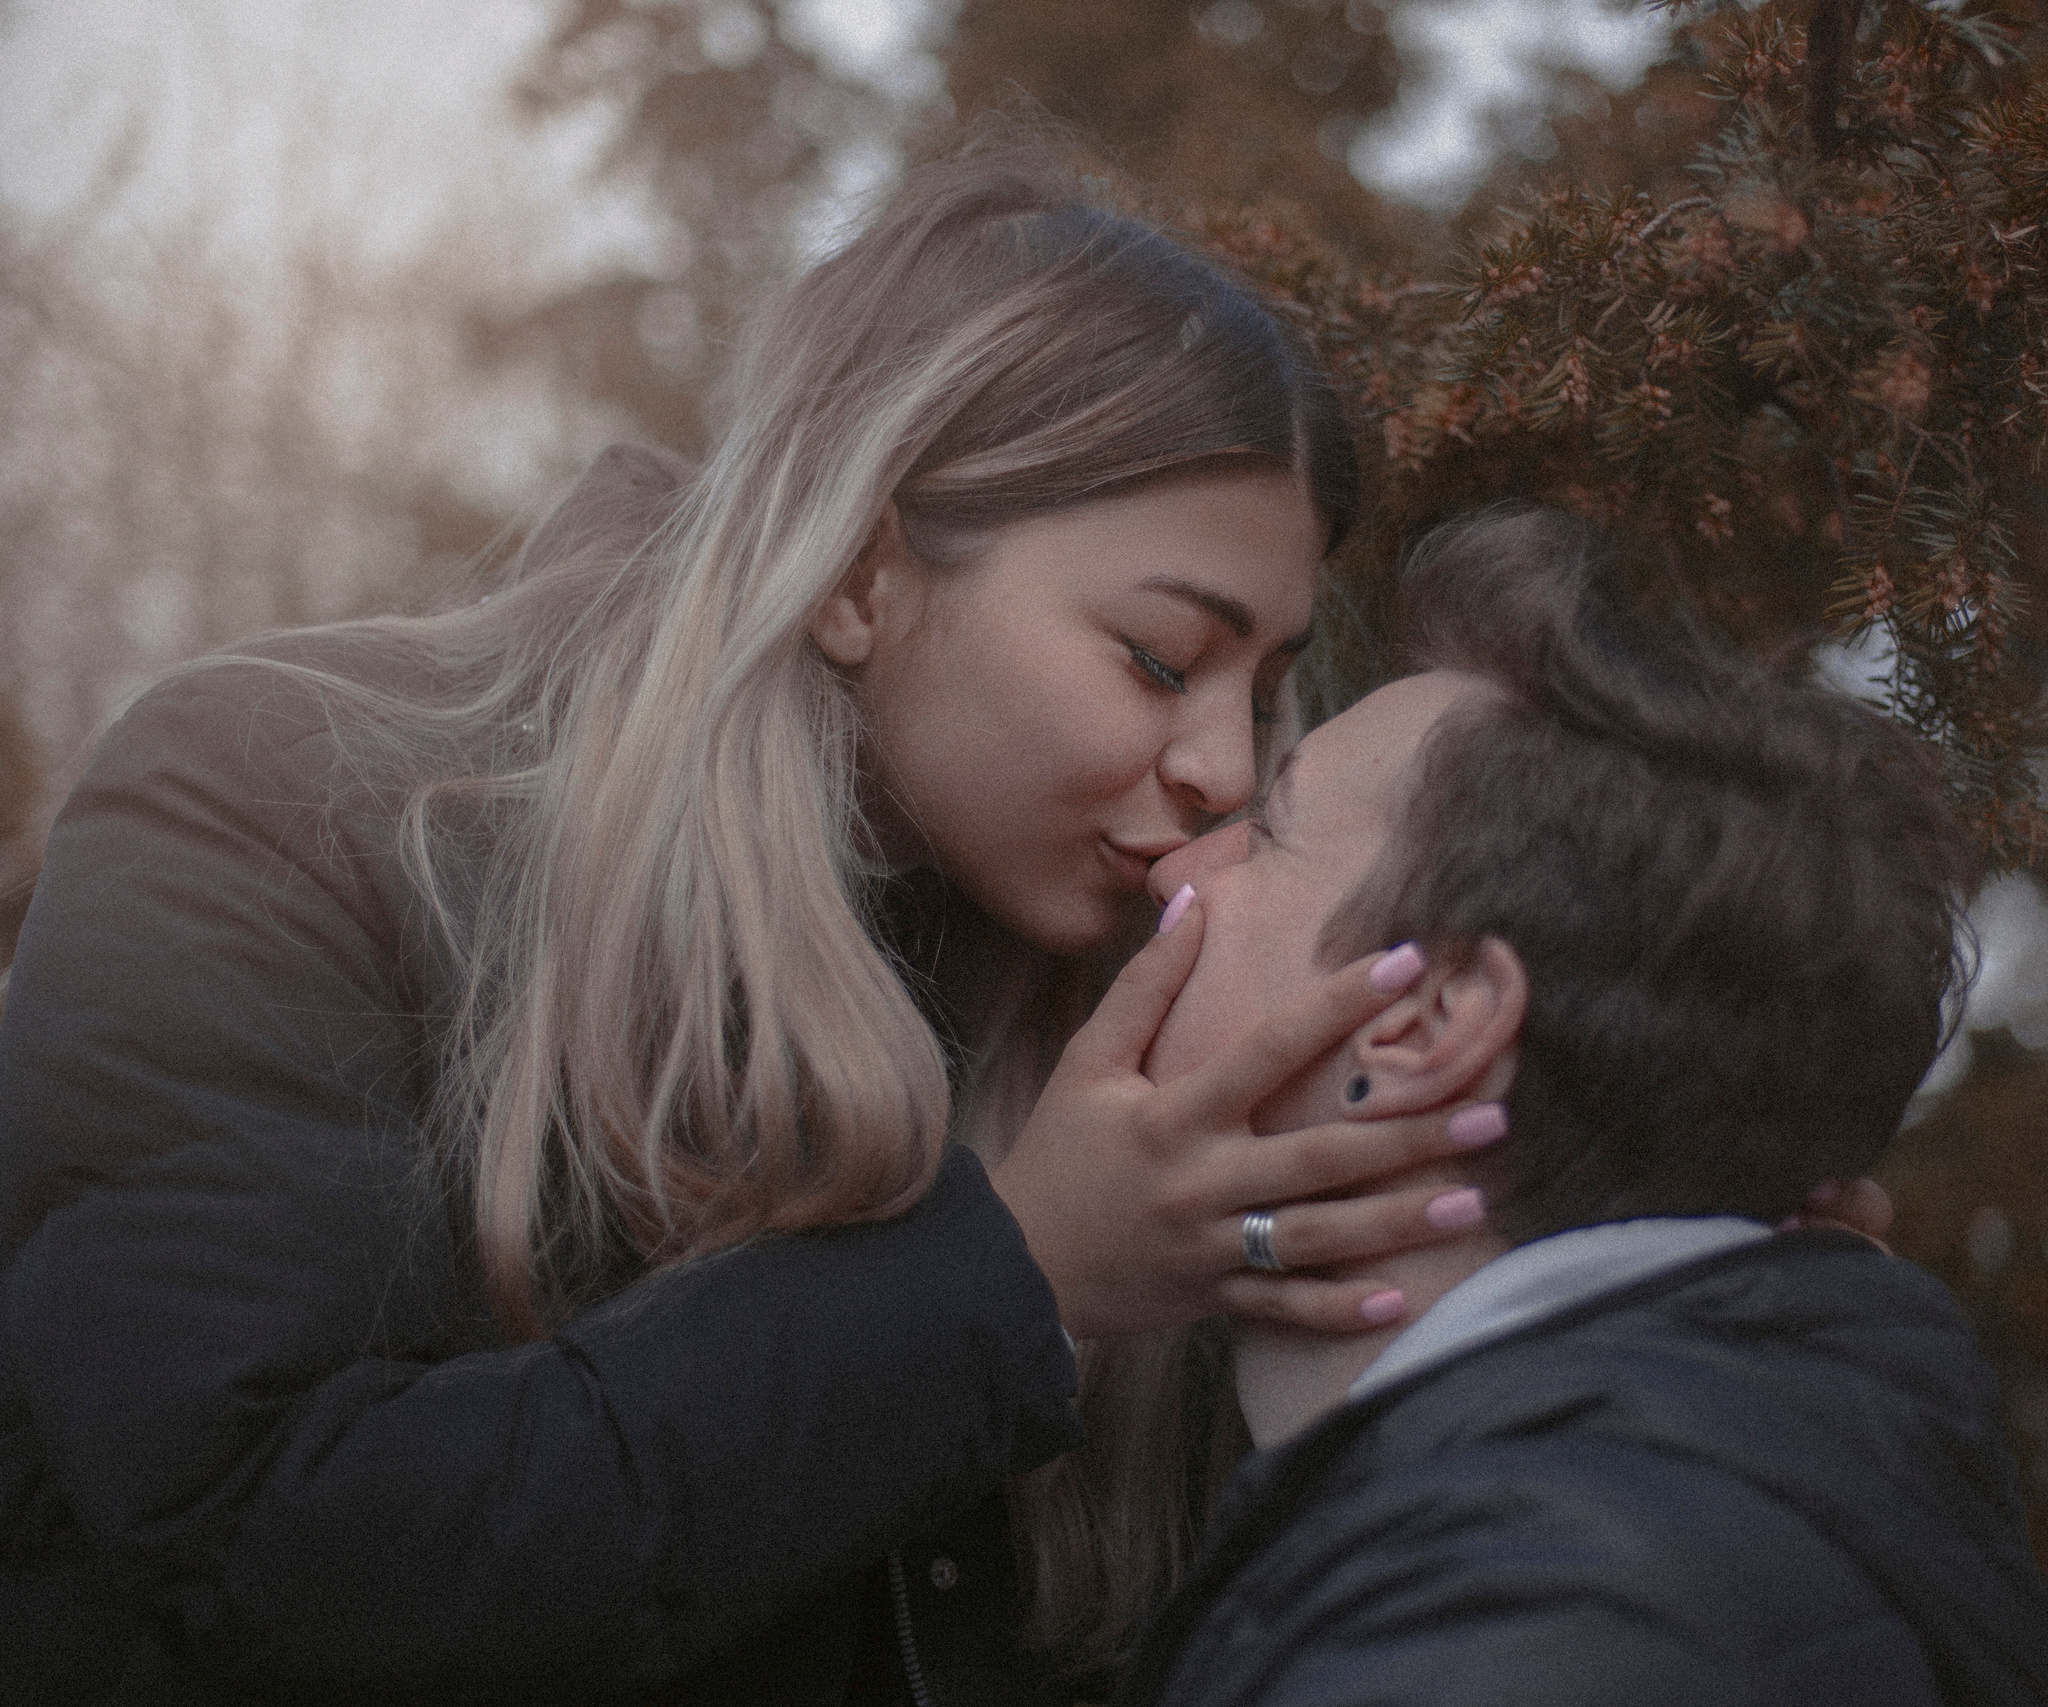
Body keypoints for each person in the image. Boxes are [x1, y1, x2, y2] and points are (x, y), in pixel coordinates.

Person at [0, 153, 1516, 1706]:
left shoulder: (1108, 1012)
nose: (1225, 764)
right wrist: (1024, 1271)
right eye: (1156, 655)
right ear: (861, 569)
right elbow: (253, 1554)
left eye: (1262, 694)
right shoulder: (268, 808)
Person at [1110, 508, 2048, 1706]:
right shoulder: (1688, 1500)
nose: (1179, 870)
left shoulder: (1523, 1622)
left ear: (1426, 1022)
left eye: (1267, 833)